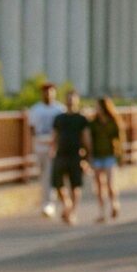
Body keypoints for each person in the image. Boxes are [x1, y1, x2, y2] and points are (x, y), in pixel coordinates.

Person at [51, 90, 92, 225]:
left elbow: (86, 139)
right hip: (61, 154)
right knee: (58, 183)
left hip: (76, 155)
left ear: (77, 101)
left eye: (72, 99)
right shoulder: (59, 118)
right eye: (68, 99)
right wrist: (52, 149)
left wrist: (87, 157)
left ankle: (73, 211)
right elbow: (55, 136)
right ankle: (67, 205)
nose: (70, 101)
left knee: (75, 185)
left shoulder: (81, 119)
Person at [28, 82, 65, 218]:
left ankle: (49, 204)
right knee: (42, 175)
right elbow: (31, 129)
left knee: (49, 175)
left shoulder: (60, 109)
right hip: (39, 147)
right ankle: (46, 202)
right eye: (45, 92)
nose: (48, 94)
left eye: (50, 92)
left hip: (53, 147)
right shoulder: (36, 109)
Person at [89, 96, 124, 223]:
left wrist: (120, 155)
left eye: (98, 106)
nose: (96, 109)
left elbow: (119, 139)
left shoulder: (112, 121)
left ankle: (114, 203)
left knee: (110, 183)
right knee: (99, 185)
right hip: (97, 156)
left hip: (109, 155)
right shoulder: (93, 123)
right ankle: (101, 212)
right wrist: (89, 156)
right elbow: (89, 140)